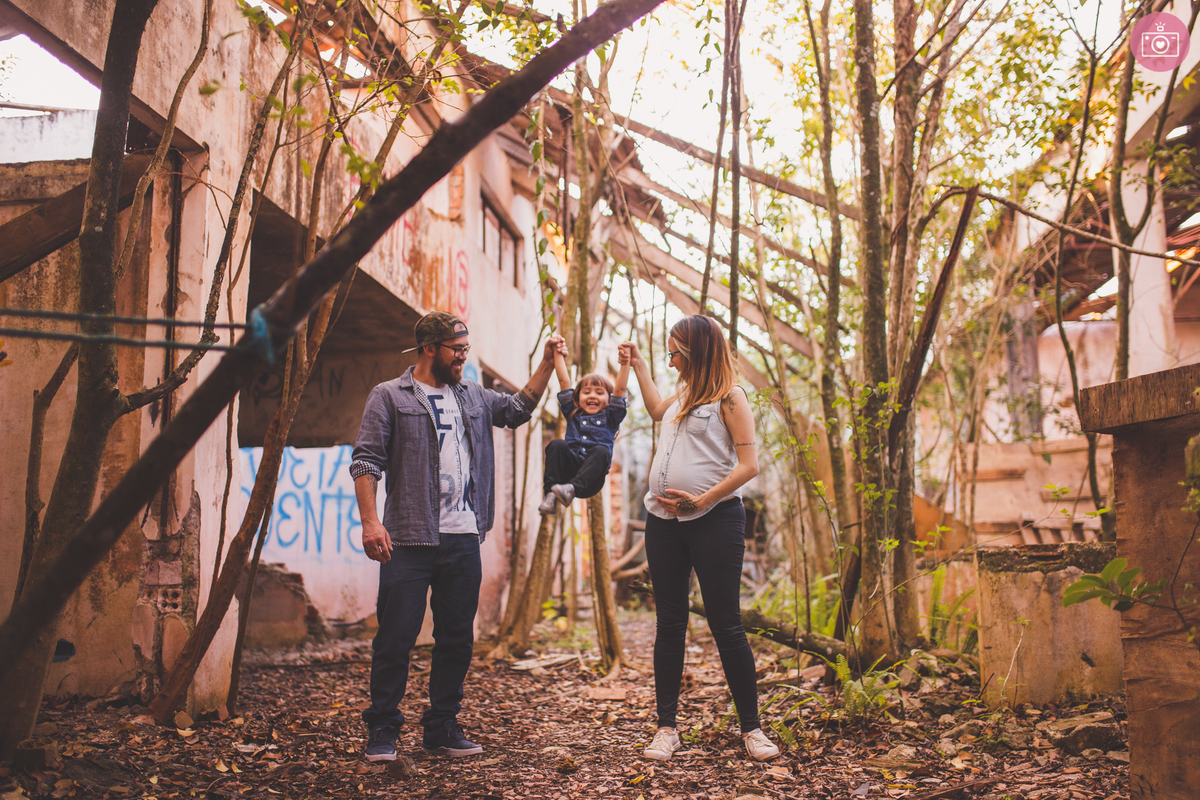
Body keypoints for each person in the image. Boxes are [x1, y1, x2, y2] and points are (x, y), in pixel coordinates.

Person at [349, 311, 565, 761]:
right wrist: (370, 522)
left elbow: (518, 410)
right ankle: (383, 729)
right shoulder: (389, 396)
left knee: (456, 640)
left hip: (464, 536)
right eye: (457, 349)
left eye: (466, 348)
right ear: (430, 348)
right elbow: (367, 461)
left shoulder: (472, 394)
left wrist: (547, 363)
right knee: (396, 637)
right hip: (408, 537)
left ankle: (441, 727)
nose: (463, 357)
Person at [618, 315, 781, 762]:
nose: (671, 362)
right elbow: (656, 410)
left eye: (674, 353)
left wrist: (701, 500)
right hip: (663, 522)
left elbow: (749, 467)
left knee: (726, 623)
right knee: (669, 624)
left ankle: (752, 729)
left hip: (715, 520)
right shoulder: (685, 394)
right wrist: (638, 366)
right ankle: (666, 729)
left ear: (696, 352)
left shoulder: (730, 397)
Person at [537, 347, 630, 515]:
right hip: (567, 474)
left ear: (609, 400)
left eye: (599, 393)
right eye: (586, 392)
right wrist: (558, 354)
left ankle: (571, 489)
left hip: (591, 481)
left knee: (602, 450)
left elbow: (620, 390)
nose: (592, 396)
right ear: (578, 398)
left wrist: (625, 363)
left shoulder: (611, 417)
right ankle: (550, 495)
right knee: (556, 444)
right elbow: (564, 382)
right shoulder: (573, 414)